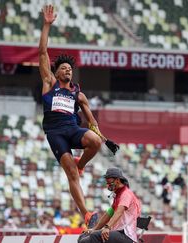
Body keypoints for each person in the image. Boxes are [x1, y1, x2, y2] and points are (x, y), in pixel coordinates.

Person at [39, 4, 112, 227]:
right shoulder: (49, 83)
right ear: (56, 72)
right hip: (55, 133)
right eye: (63, 68)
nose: (67, 70)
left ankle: (82, 164)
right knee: (71, 174)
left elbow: (90, 119)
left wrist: (97, 130)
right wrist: (46, 25)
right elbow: (42, 53)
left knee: (94, 142)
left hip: (71, 128)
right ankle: (87, 214)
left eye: (69, 68)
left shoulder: (78, 94)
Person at [78, 168, 141, 243]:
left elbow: (119, 212)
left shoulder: (126, 194)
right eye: (107, 183)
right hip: (117, 232)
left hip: (126, 235)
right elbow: (108, 214)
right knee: (83, 239)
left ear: (117, 180)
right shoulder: (117, 195)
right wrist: (95, 229)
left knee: (95, 236)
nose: (108, 185)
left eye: (110, 183)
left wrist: (107, 227)